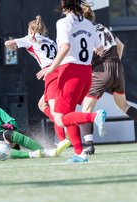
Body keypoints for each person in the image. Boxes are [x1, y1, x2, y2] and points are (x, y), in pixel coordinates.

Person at [80, 5, 137, 155]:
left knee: (86, 109)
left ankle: (89, 145)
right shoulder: (102, 27)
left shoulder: (84, 31)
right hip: (117, 68)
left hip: (102, 70)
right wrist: (115, 63)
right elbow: (121, 45)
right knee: (123, 105)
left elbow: (90, 53)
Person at [36, 0, 105, 163]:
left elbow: (65, 47)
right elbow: (100, 49)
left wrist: (50, 68)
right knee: (69, 115)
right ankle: (79, 153)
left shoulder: (63, 22)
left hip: (70, 72)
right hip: (86, 72)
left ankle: (94, 116)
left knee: (59, 118)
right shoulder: (89, 24)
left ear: (64, 5)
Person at [4, 15, 70, 155]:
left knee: (54, 109)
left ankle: (63, 136)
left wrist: (15, 46)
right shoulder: (51, 41)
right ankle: (62, 126)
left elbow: (7, 44)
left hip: (51, 73)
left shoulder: (30, 39)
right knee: (42, 104)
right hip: (61, 71)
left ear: (30, 29)